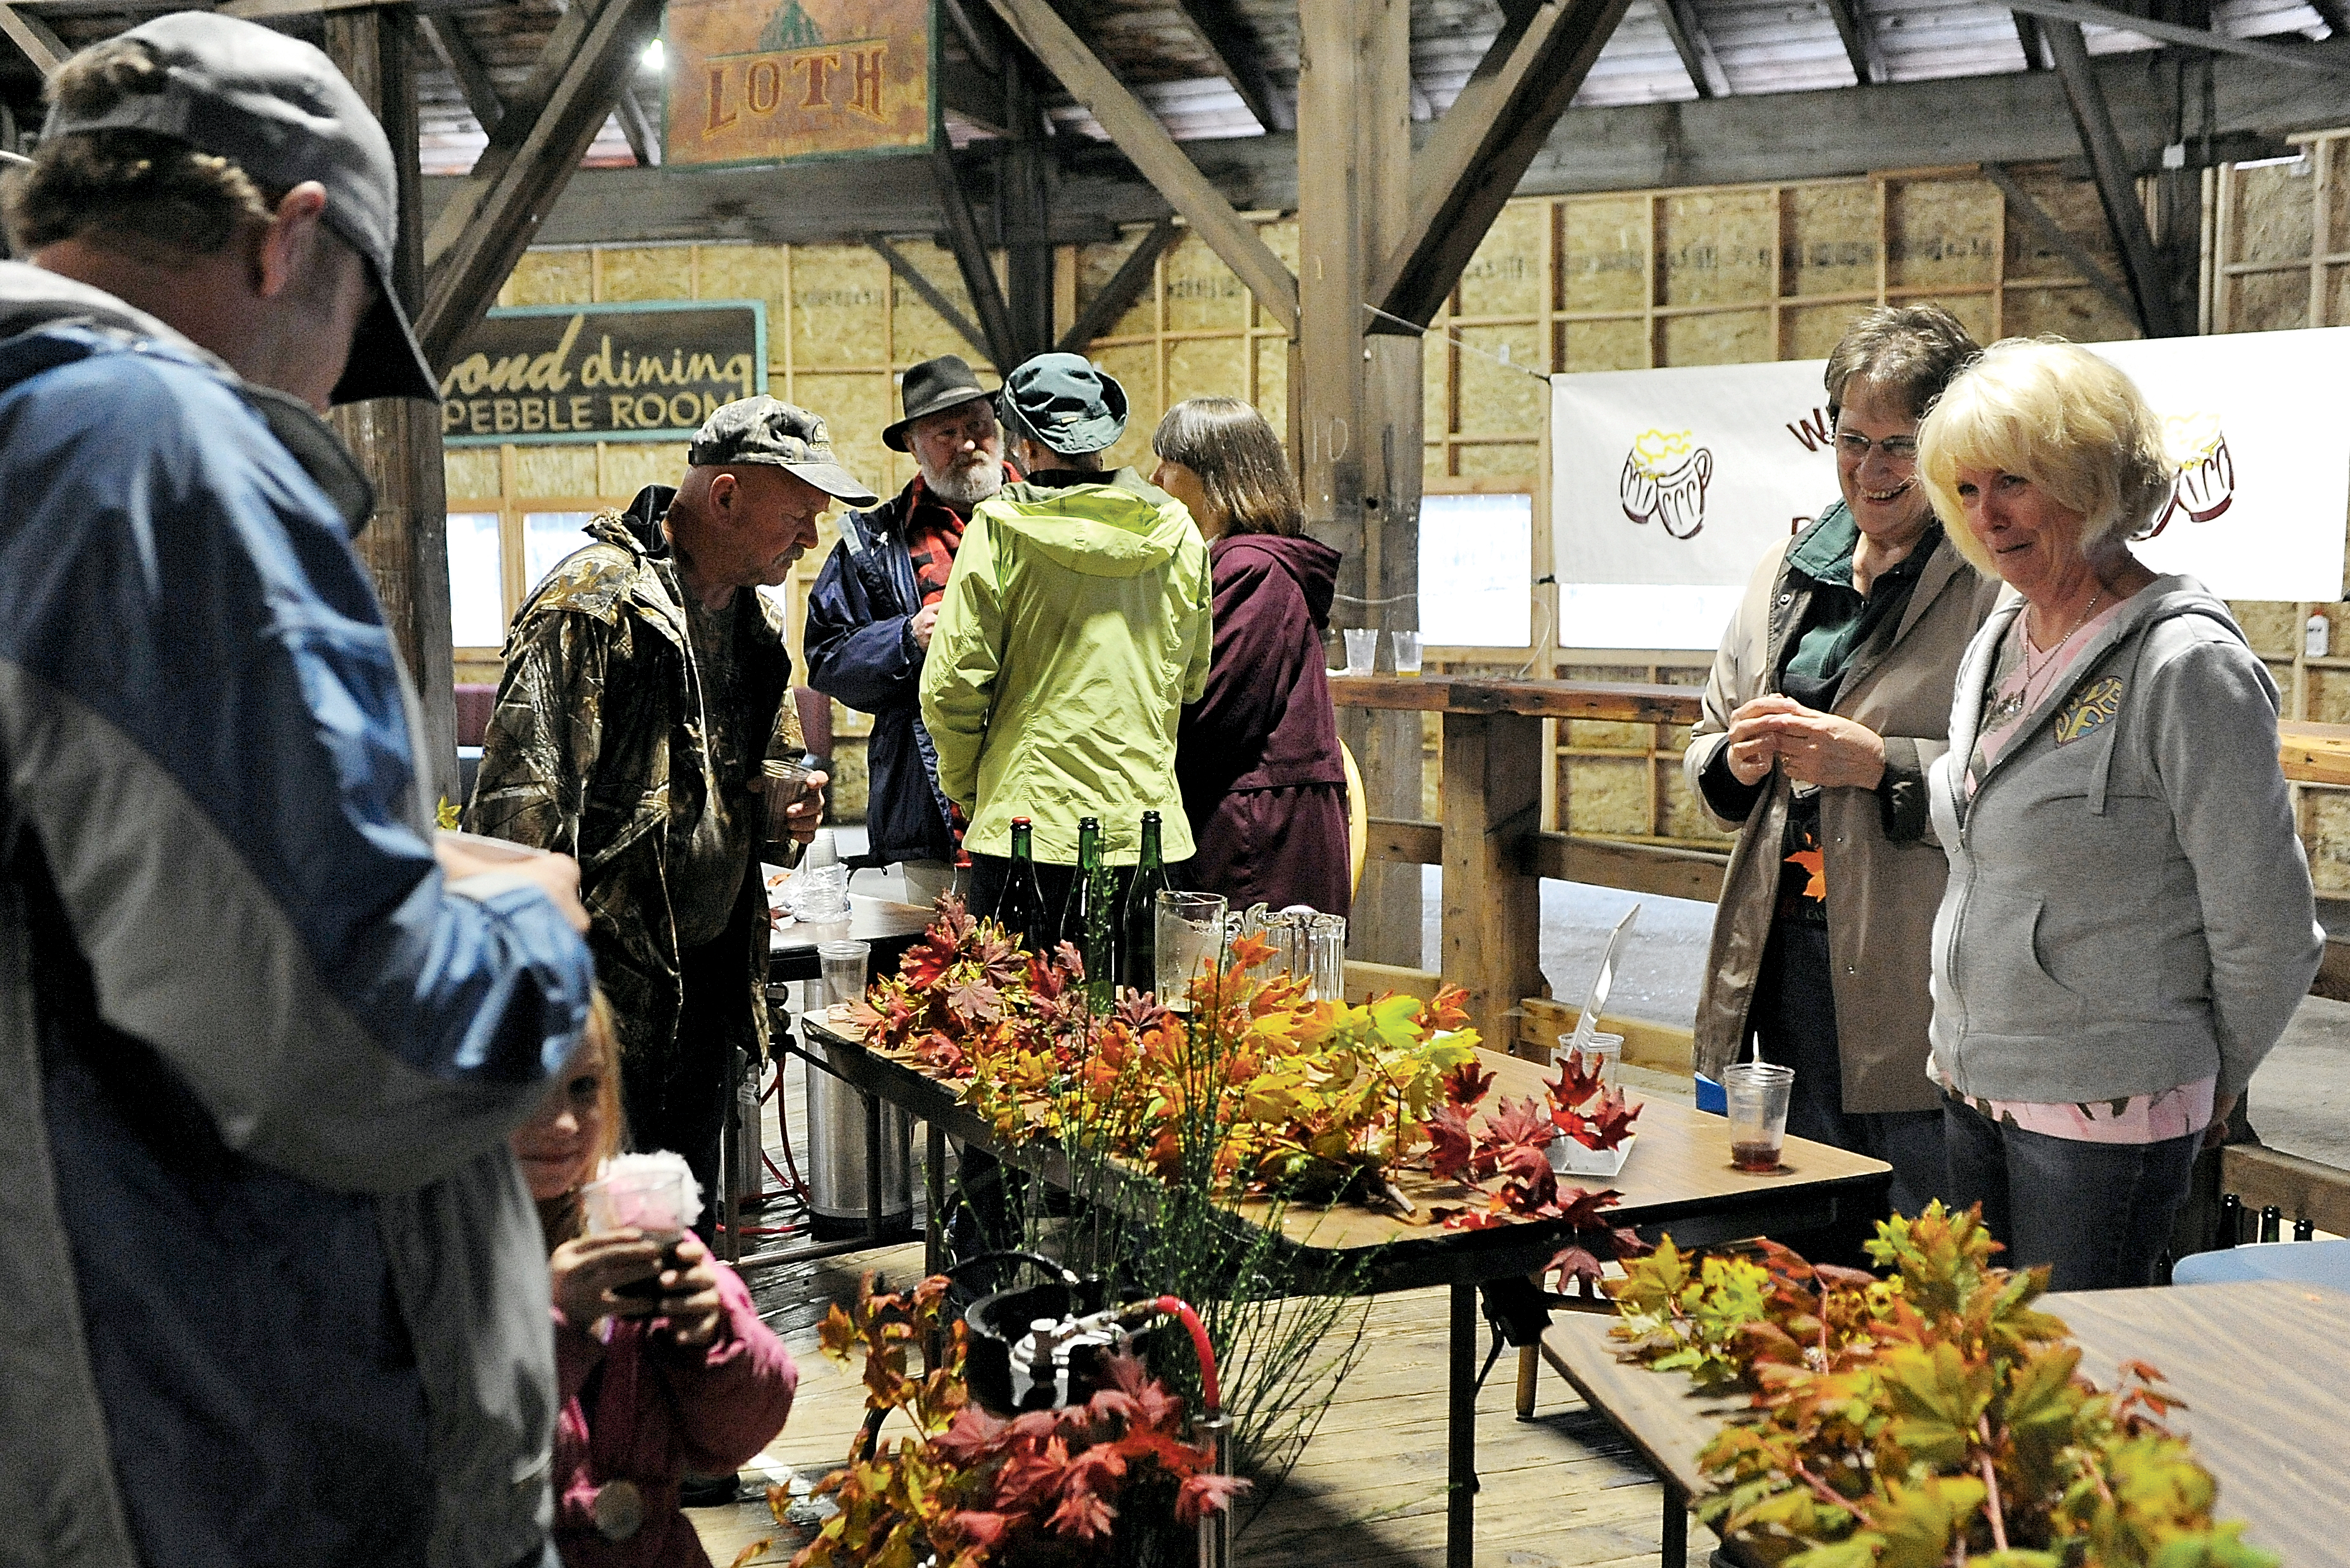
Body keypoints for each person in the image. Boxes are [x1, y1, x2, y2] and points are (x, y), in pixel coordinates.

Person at [0, 15, 598, 1567]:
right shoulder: (148, 457)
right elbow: (347, 1036)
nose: (332, 390)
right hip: (213, 1455)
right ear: (293, 239)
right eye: (355, 333)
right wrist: (537, 926)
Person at [1915, 336, 2322, 1290]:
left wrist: (2205, 1078)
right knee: (1977, 1383)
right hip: (1974, 1078)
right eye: (1966, 491)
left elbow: (2267, 924)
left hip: (2112, 1105)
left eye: (2013, 480)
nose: (1989, 516)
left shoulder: (2185, 666)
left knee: (2078, 1395)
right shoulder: (2001, 636)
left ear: (2089, 477)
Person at [472, 396, 876, 1233]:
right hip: (602, 1012)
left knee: (675, 1233)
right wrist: (549, 1014)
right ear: (723, 497)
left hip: (707, 992)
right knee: (589, 1243)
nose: (809, 539)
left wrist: (783, 806)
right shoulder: (593, 604)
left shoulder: (757, 624)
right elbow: (516, 819)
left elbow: (761, 775)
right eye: (798, 515)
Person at [1684, 304, 2001, 1222]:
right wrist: (1732, 759)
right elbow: (1705, 735)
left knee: (1908, 1239)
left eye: (1901, 444)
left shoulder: (1992, 581)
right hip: (1776, 957)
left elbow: (2025, 777)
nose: (1871, 469)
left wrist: (1884, 764)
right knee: (1780, 1232)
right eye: (1852, 439)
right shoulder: (1789, 569)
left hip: (1910, 969)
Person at [919, 351, 1212, 927]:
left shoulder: (999, 529)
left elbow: (950, 688)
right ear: (1102, 434)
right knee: (1140, 1014)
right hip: (1146, 832)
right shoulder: (1177, 529)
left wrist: (976, 791)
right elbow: (1191, 678)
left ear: (1025, 446)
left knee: (1024, 1013)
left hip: (1027, 834)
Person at [513, 997, 798, 1568]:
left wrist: (712, 1335)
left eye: (584, 1087)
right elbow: (433, 1466)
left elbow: (733, 1441)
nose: (565, 1122)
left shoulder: (639, 1233)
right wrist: (556, 1329)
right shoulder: (436, 1260)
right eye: (530, 1087)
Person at [805, 354, 1016, 908]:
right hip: (930, 819)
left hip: (1042, 806)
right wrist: (906, 638)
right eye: (946, 432)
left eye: (977, 426)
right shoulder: (872, 543)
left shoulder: (1051, 518)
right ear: (914, 448)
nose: (968, 443)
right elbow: (827, 659)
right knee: (941, 981)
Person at [1155, 397, 1350, 915]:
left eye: (1169, 466)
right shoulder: (1239, 563)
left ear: (1214, 478)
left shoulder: (1251, 569)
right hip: (1256, 820)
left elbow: (1211, 715)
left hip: (1259, 839)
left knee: (1253, 992)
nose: (1155, 481)